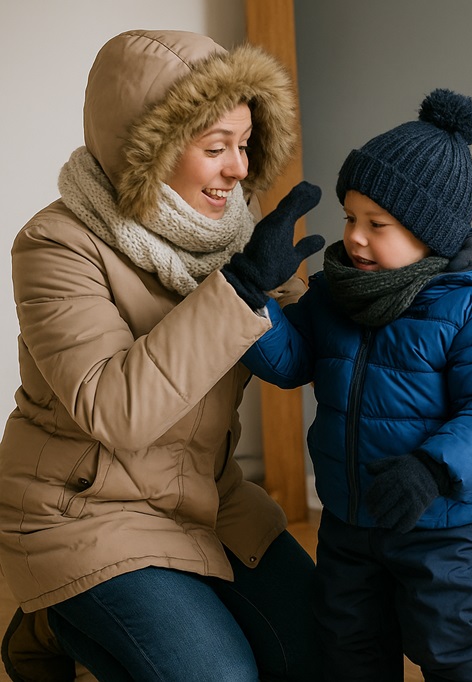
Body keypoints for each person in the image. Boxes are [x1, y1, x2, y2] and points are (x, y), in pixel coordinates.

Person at [0, 30, 326, 682]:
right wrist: (237, 291)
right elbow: (115, 411)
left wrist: (371, 281)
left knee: (334, 657)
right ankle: (57, 616)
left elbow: (298, 348)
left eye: (244, 144)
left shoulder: (232, 228)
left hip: (209, 498)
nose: (239, 169)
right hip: (87, 513)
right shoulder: (56, 244)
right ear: (146, 151)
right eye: (216, 148)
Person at [240, 89, 472, 682]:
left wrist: (432, 468)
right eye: (350, 217)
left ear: (431, 234)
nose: (355, 237)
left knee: (457, 648)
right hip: (350, 518)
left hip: (443, 526)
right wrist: (249, 296)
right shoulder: (333, 293)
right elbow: (290, 363)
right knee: (349, 646)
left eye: (379, 224)